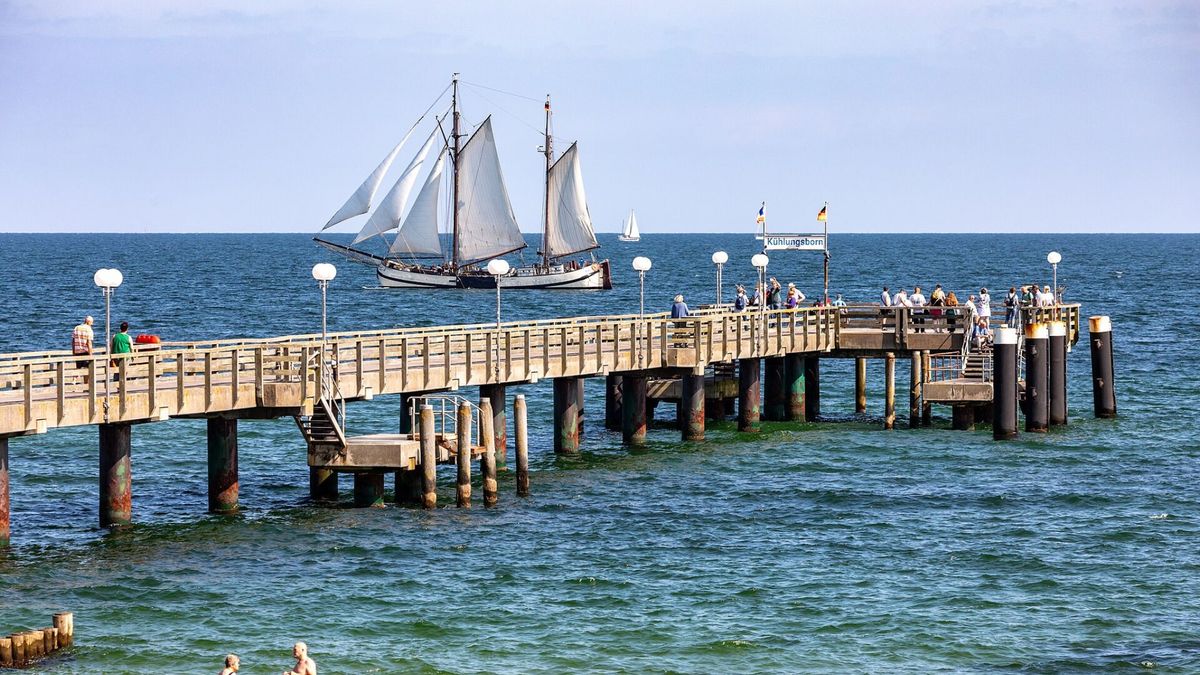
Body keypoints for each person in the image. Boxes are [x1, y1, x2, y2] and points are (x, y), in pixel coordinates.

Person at [72, 315, 95, 384]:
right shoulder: (89, 329)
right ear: (88, 322)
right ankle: (86, 384)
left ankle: (74, 380)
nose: (92, 324)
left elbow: (73, 341)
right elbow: (89, 343)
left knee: (78, 367)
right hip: (85, 351)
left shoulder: (76, 328)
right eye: (92, 323)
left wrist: (73, 351)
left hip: (77, 351)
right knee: (87, 368)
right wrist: (91, 354)